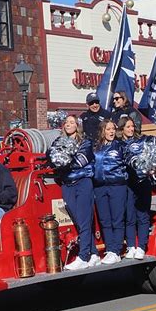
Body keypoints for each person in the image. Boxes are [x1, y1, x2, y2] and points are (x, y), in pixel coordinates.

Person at [51, 115, 99, 270]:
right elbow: (50, 156)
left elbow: (81, 161)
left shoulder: (85, 142)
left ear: (78, 126)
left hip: (82, 183)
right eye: (67, 122)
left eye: (72, 122)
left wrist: (63, 161)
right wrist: (58, 159)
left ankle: (83, 256)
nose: (69, 124)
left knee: (85, 220)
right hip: (67, 185)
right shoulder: (58, 141)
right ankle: (93, 253)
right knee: (77, 220)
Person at [117, 117, 156, 260]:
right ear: (122, 129)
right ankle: (131, 246)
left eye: (132, 126)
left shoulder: (143, 140)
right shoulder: (118, 144)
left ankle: (142, 247)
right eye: (128, 127)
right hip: (128, 184)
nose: (131, 129)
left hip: (143, 182)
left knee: (143, 216)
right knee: (130, 216)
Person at [93, 119, 128, 264]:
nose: (111, 132)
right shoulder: (96, 147)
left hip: (117, 186)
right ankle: (110, 249)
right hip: (100, 187)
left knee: (117, 219)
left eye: (113, 129)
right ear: (102, 131)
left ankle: (117, 251)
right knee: (104, 220)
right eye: (108, 129)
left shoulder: (120, 146)